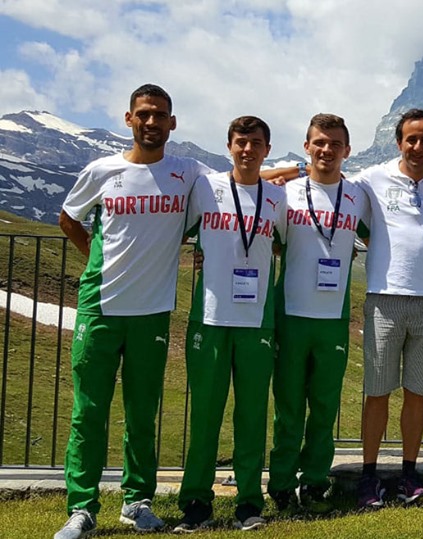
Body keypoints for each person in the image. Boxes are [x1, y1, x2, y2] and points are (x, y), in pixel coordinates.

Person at [55, 84, 214, 539]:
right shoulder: (102, 170)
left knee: (143, 411)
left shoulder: (187, 172)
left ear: (172, 123)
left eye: (160, 115)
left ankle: (136, 501)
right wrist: (93, 258)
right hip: (100, 305)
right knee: (89, 410)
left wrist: (287, 169)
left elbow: (239, 177)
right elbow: (69, 217)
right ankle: (82, 508)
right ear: (129, 119)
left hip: (153, 311)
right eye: (143, 114)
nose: (151, 122)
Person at [175, 116, 287, 532]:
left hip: (258, 320)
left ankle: (248, 502)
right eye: (241, 142)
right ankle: (196, 502)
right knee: (205, 414)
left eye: (256, 143)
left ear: (266, 148)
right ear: (229, 146)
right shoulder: (204, 188)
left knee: (252, 415)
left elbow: (283, 242)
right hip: (210, 315)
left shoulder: (277, 199)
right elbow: (180, 231)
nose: (247, 150)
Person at [352, 109, 423, 509]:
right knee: (377, 392)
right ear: (398, 141)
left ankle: (409, 475)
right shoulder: (372, 177)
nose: (417, 146)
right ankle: (368, 475)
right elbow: (344, 205)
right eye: (411, 139)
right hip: (384, 298)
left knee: (418, 392)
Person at [267, 114, 369, 514]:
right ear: (307, 147)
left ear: (347, 150)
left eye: (334, 144)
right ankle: (280, 482)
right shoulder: (284, 193)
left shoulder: (358, 195)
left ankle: (314, 482)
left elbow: (382, 233)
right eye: (319, 143)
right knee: (288, 405)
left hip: (334, 317)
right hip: (290, 312)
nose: (326, 150)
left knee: (325, 406)